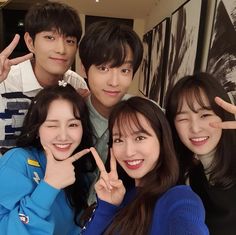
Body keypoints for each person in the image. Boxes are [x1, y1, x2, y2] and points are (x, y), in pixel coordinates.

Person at [81, 96, 209, 235]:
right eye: (119, 140)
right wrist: (106, 207)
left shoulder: (179, 199)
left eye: (140, 138)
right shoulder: (118, 196)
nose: (128, 152)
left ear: (161, 139)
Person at [0, 82, 95, 235]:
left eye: (72, 125)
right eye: (52, 126)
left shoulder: (82, 171)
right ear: (37, 129)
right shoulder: (17, 162)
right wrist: (49, 186)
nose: (64, 136)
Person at [0, 2, 89, 154]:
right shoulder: (5, 82)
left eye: (69, 41)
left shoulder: (76, 84)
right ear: (30, 42)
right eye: (50, 37)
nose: (61, 50)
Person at [79, 21, 143, 204]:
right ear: (84, 68)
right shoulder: (70, 116)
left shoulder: (145, 116)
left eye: (124, 70)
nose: (114, 82)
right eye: (103, 68)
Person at [165, 72, 236, 235]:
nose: (195, 128)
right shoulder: (186, 173)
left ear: (223, 115)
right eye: (183, 119)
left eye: (205, 115)